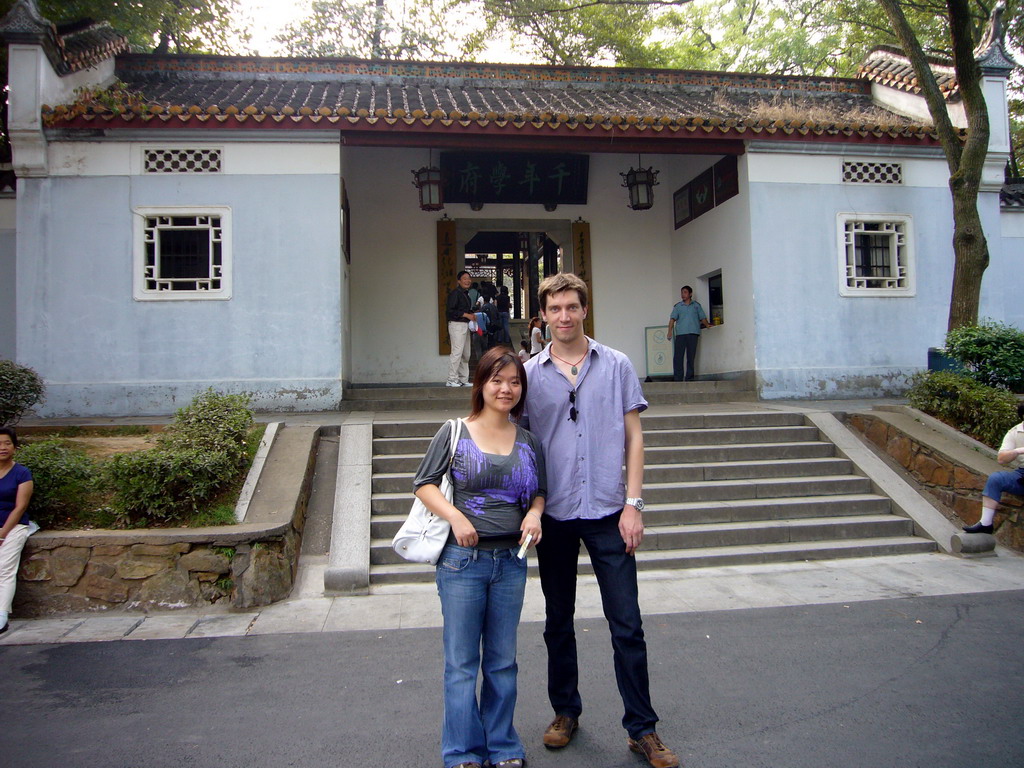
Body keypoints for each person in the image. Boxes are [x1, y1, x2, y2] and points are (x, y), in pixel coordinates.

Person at [522, 273, 679, 768]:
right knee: (557, 621)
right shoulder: (528, 374)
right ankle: (565, 712)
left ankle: (642, 728)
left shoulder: (616, 365)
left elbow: (634, 436)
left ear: (584, 309)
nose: (564, 317)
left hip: (610, 510)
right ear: (543, 316)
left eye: (572, 307)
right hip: (557, 514)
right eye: (555, 309)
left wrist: (635, 504)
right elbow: (521, 445)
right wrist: (531, 506)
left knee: (627, 623)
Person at [414, 346, 547, 768]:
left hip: (511, 561)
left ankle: (503, 745)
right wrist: (455, 517)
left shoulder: (528, 440)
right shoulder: (454, 431)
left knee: (503, 663)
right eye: (497, 380)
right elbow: (424, 483)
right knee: (462, 664)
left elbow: (540, 492)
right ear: (481, 384)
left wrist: (534, 514)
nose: (506, 389)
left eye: (514, 382)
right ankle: (462, 751)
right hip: (461, 563)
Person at [964, 402, 1024, 534]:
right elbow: (1001, 459)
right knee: (996, 479)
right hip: (1022, 473)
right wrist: (1019, 451)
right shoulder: (1014, 432)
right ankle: (985, 524)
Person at [0, 426, 34, 634]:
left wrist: (3, 533)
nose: (2, 448)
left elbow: (20, 506)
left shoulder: (22, 473)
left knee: (4, 567)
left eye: (7, 443)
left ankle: (2, 614)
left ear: (14, 447)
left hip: (14, 526)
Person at [667, 285, 710, 382]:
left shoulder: (696, 306)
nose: (683, 294)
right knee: (678, 357)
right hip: (681, 334)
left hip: (693, 333)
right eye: (682, 292)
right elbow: (672, 319)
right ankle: (678, 378)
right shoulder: (678, 306)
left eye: (685, 292)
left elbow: (702, 317)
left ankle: (689, 378)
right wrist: (669, 331)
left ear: (690, 294)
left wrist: (707, 325)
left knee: (691, 357)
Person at [446, 270, 476, 387]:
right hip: (456, 324)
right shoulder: (455, 293)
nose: (467, 281)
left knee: (466, 354)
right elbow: (450, 311)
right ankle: (451, 379)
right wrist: (466, 315)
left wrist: (472, 315)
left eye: (468, 278)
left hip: (465, 325)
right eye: (464, 278)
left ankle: (463, 379)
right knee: (457, 352)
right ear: (459, 281)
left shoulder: (466, 295)